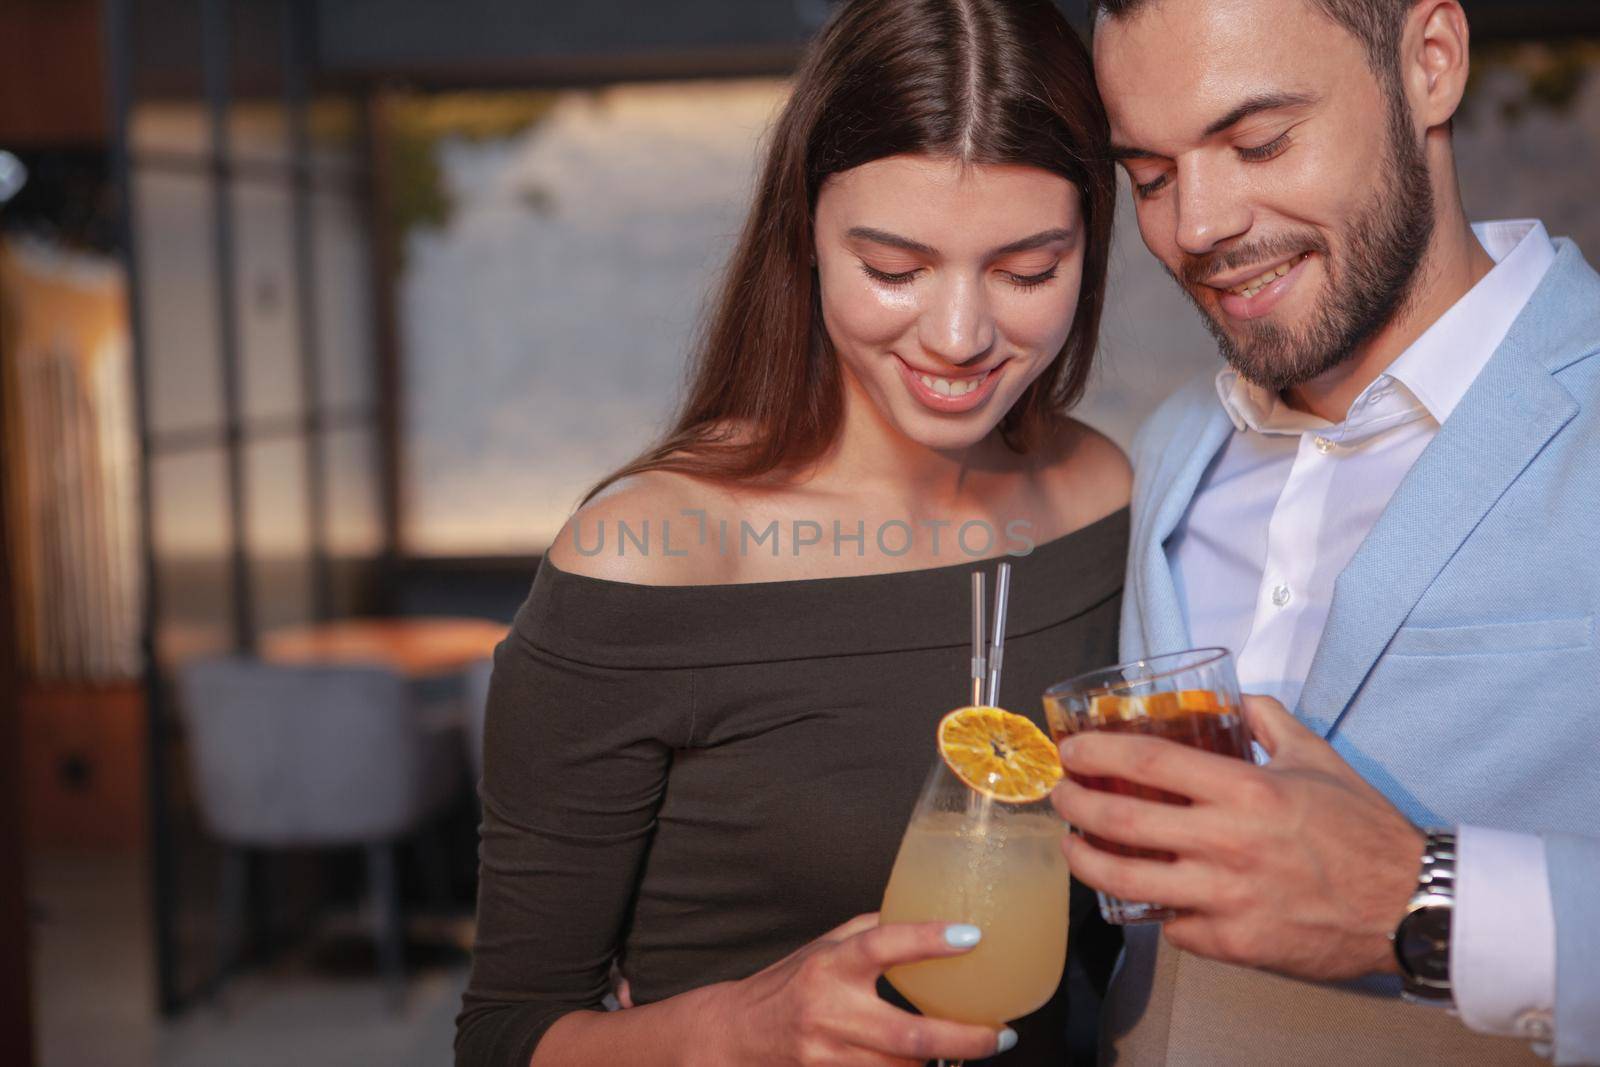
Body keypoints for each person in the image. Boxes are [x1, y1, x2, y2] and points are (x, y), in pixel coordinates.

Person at [454, 1, 1132, 1064]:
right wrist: (735, 1026)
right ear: (804, 236)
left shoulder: (1097, 497)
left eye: (1027, 271)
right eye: (895, 269)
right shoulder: (652, 555)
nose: (959, 337)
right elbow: (505, 1033)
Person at [1050, 0, 1600, 1063]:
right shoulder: (1168, 451)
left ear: (1430, 64)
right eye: (1150, 177)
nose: (1196, 225)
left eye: (1259, 141)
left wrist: (1415, 898)